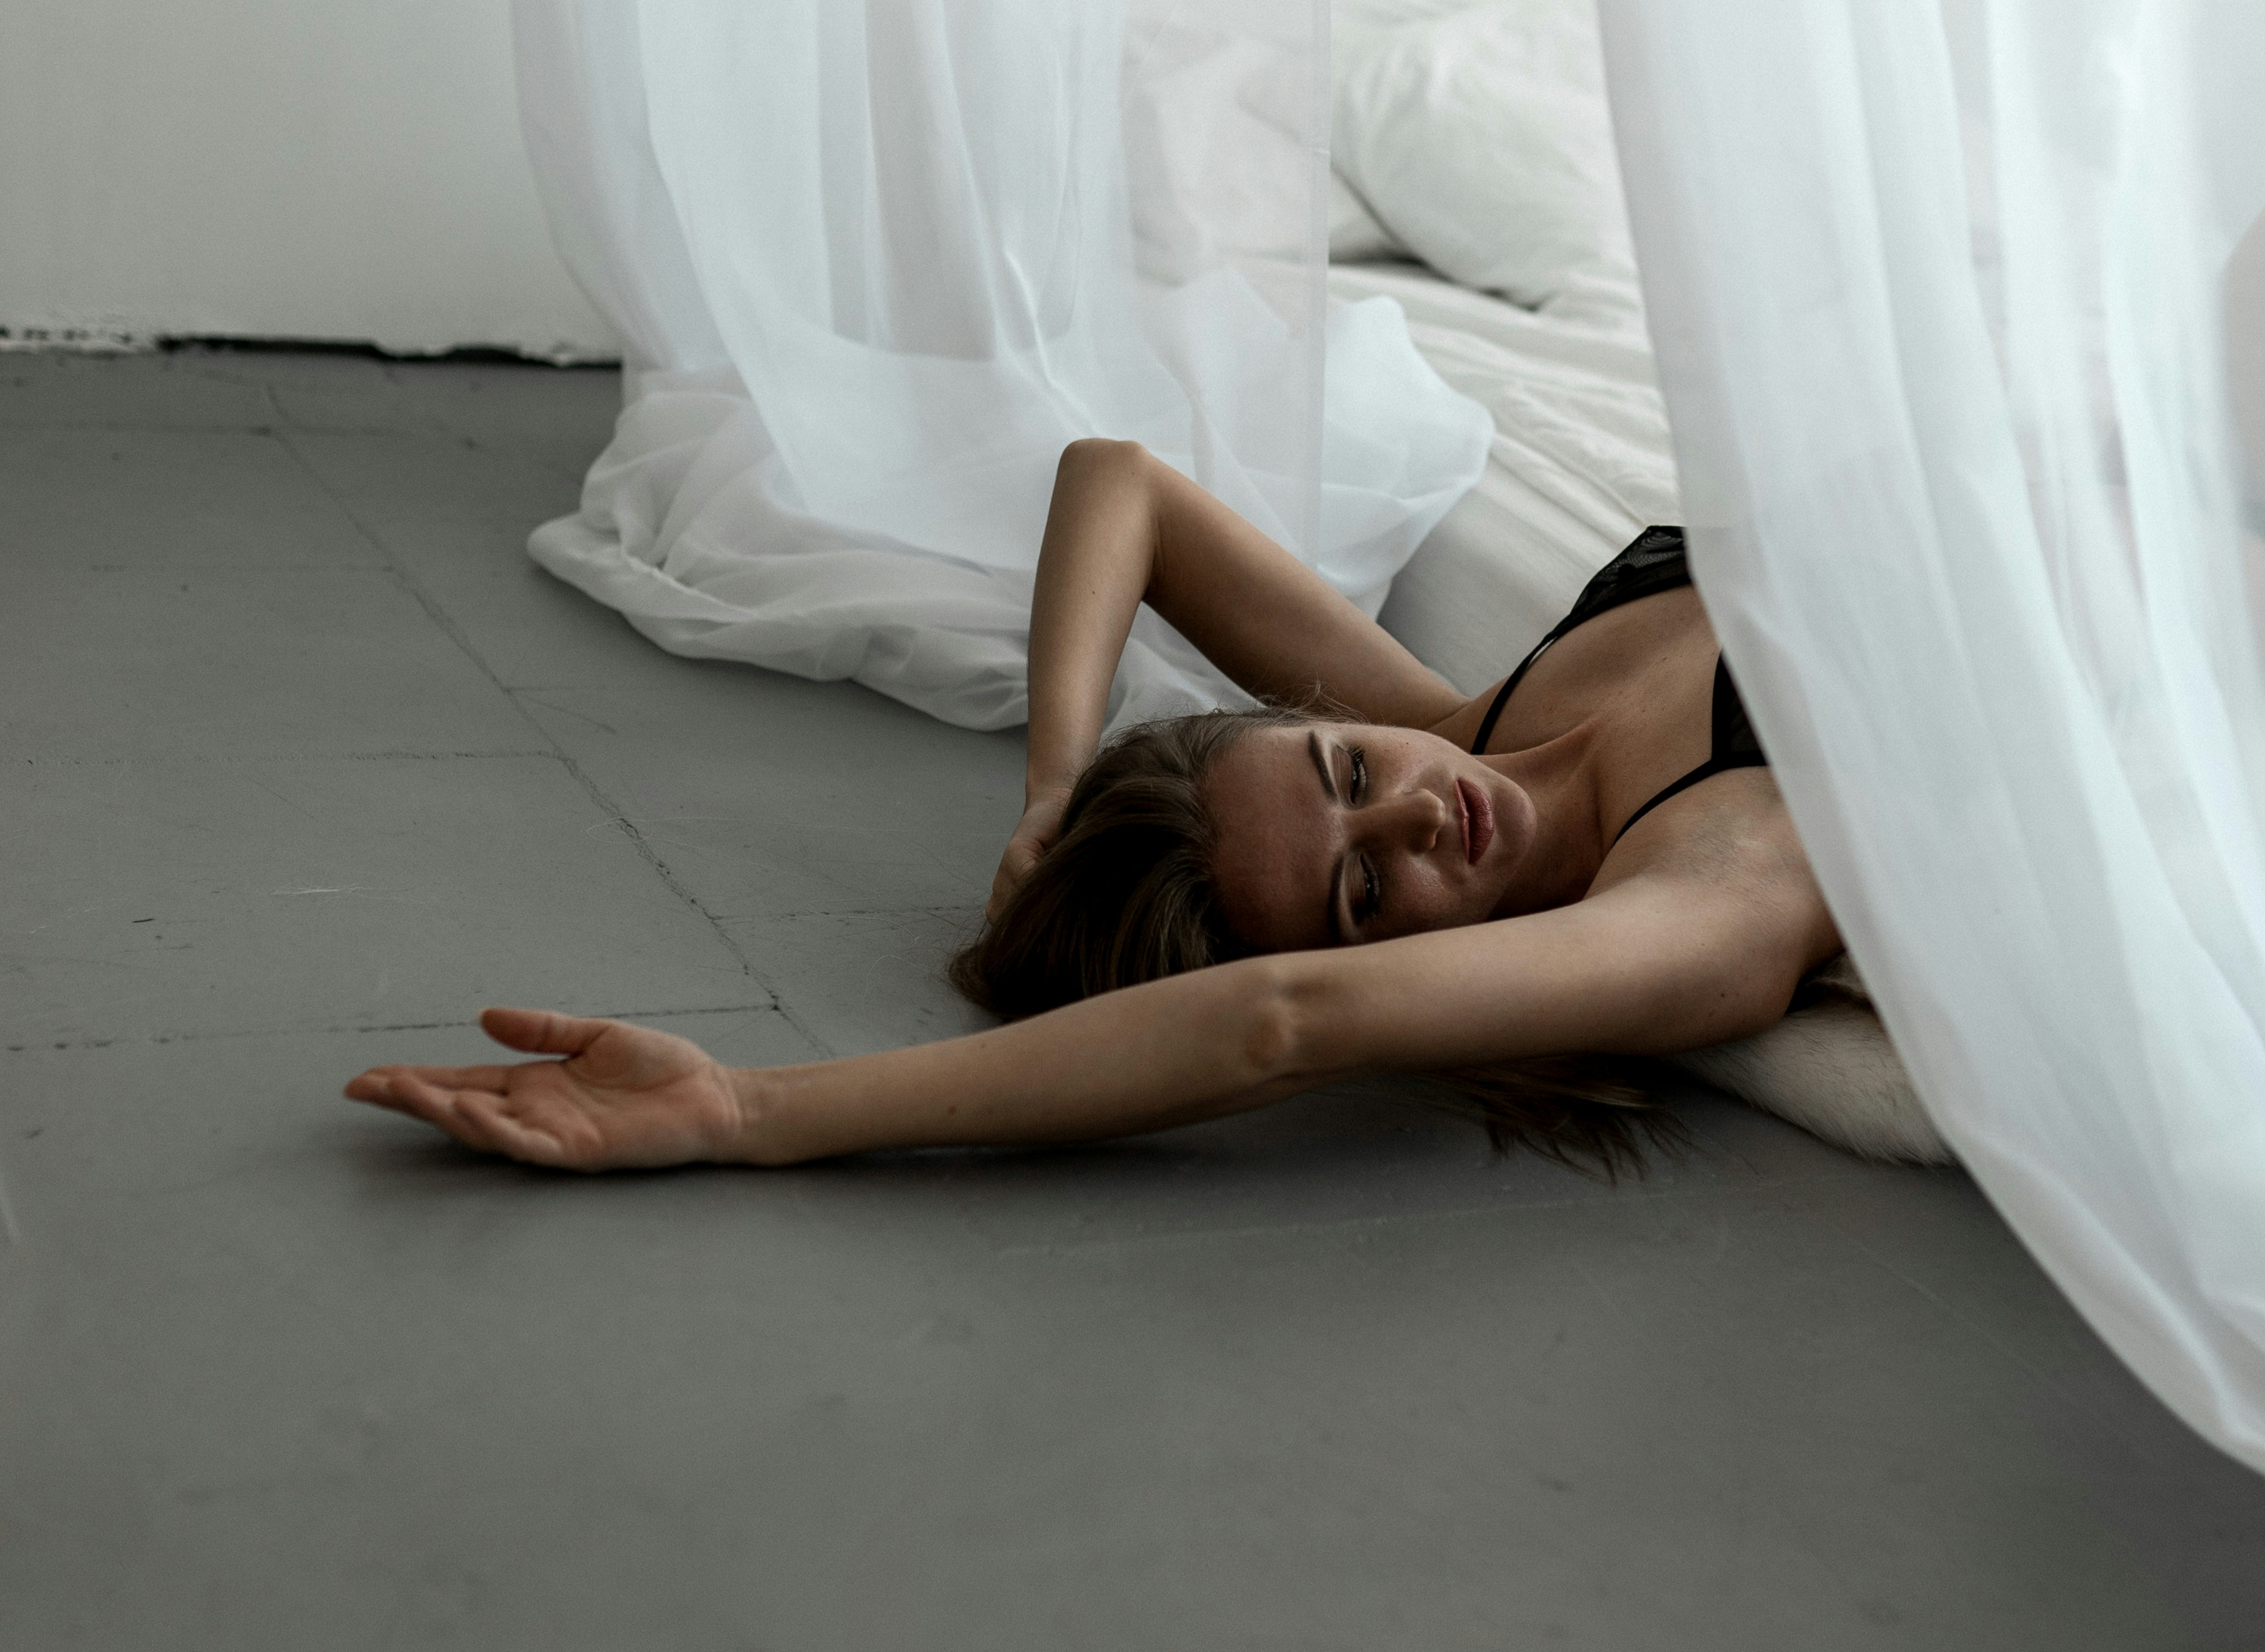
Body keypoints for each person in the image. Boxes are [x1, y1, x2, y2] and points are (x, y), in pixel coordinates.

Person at [343, 441, 1844, 1177]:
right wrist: (748, 1110)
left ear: (1328, 722)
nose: (1412, 824)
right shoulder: (1700, 895)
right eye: (1366, 901)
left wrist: (1055, 780)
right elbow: (1278, 1026)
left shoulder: (1455, 730)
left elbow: (1115, 478)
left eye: (1349, 776)